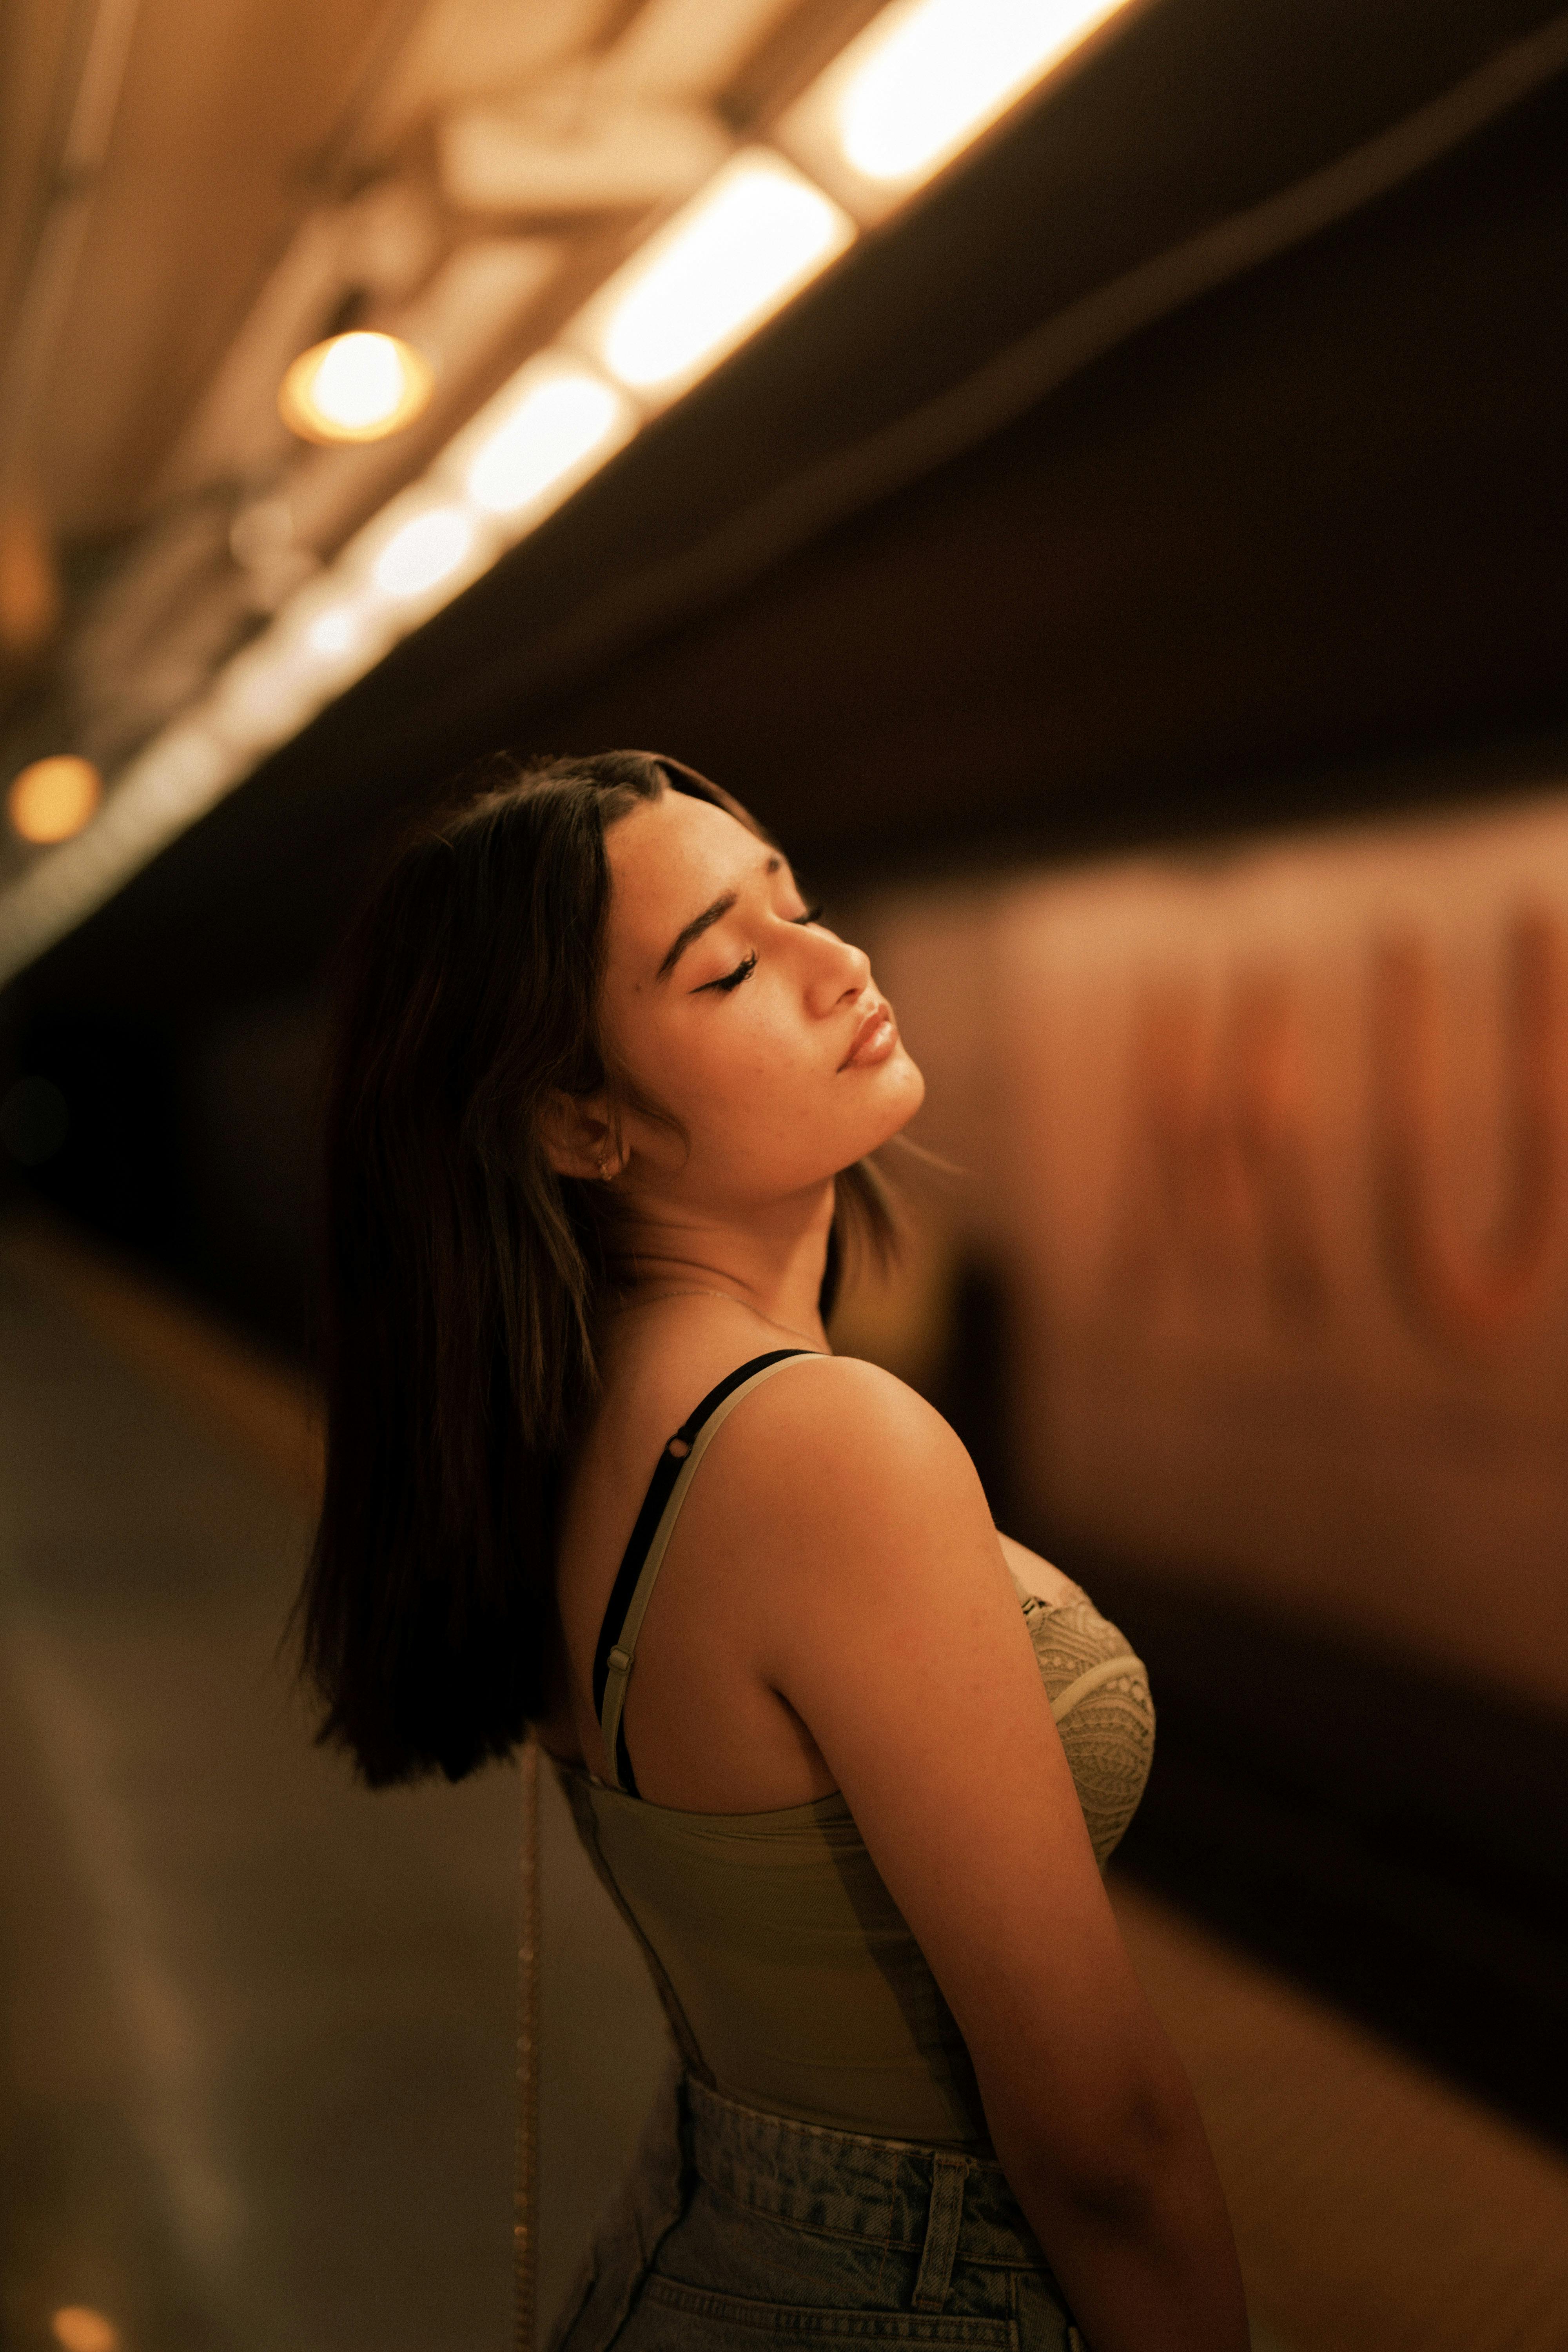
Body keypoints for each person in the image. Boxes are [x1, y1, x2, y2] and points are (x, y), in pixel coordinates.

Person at [299, 749, 1250, 2352]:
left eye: (795, 905)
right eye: (732, 964)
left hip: (700, 2245)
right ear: (579, 1123)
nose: (839, 964)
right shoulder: (817, 1448)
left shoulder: (564, 1420)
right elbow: (1104, 2148)